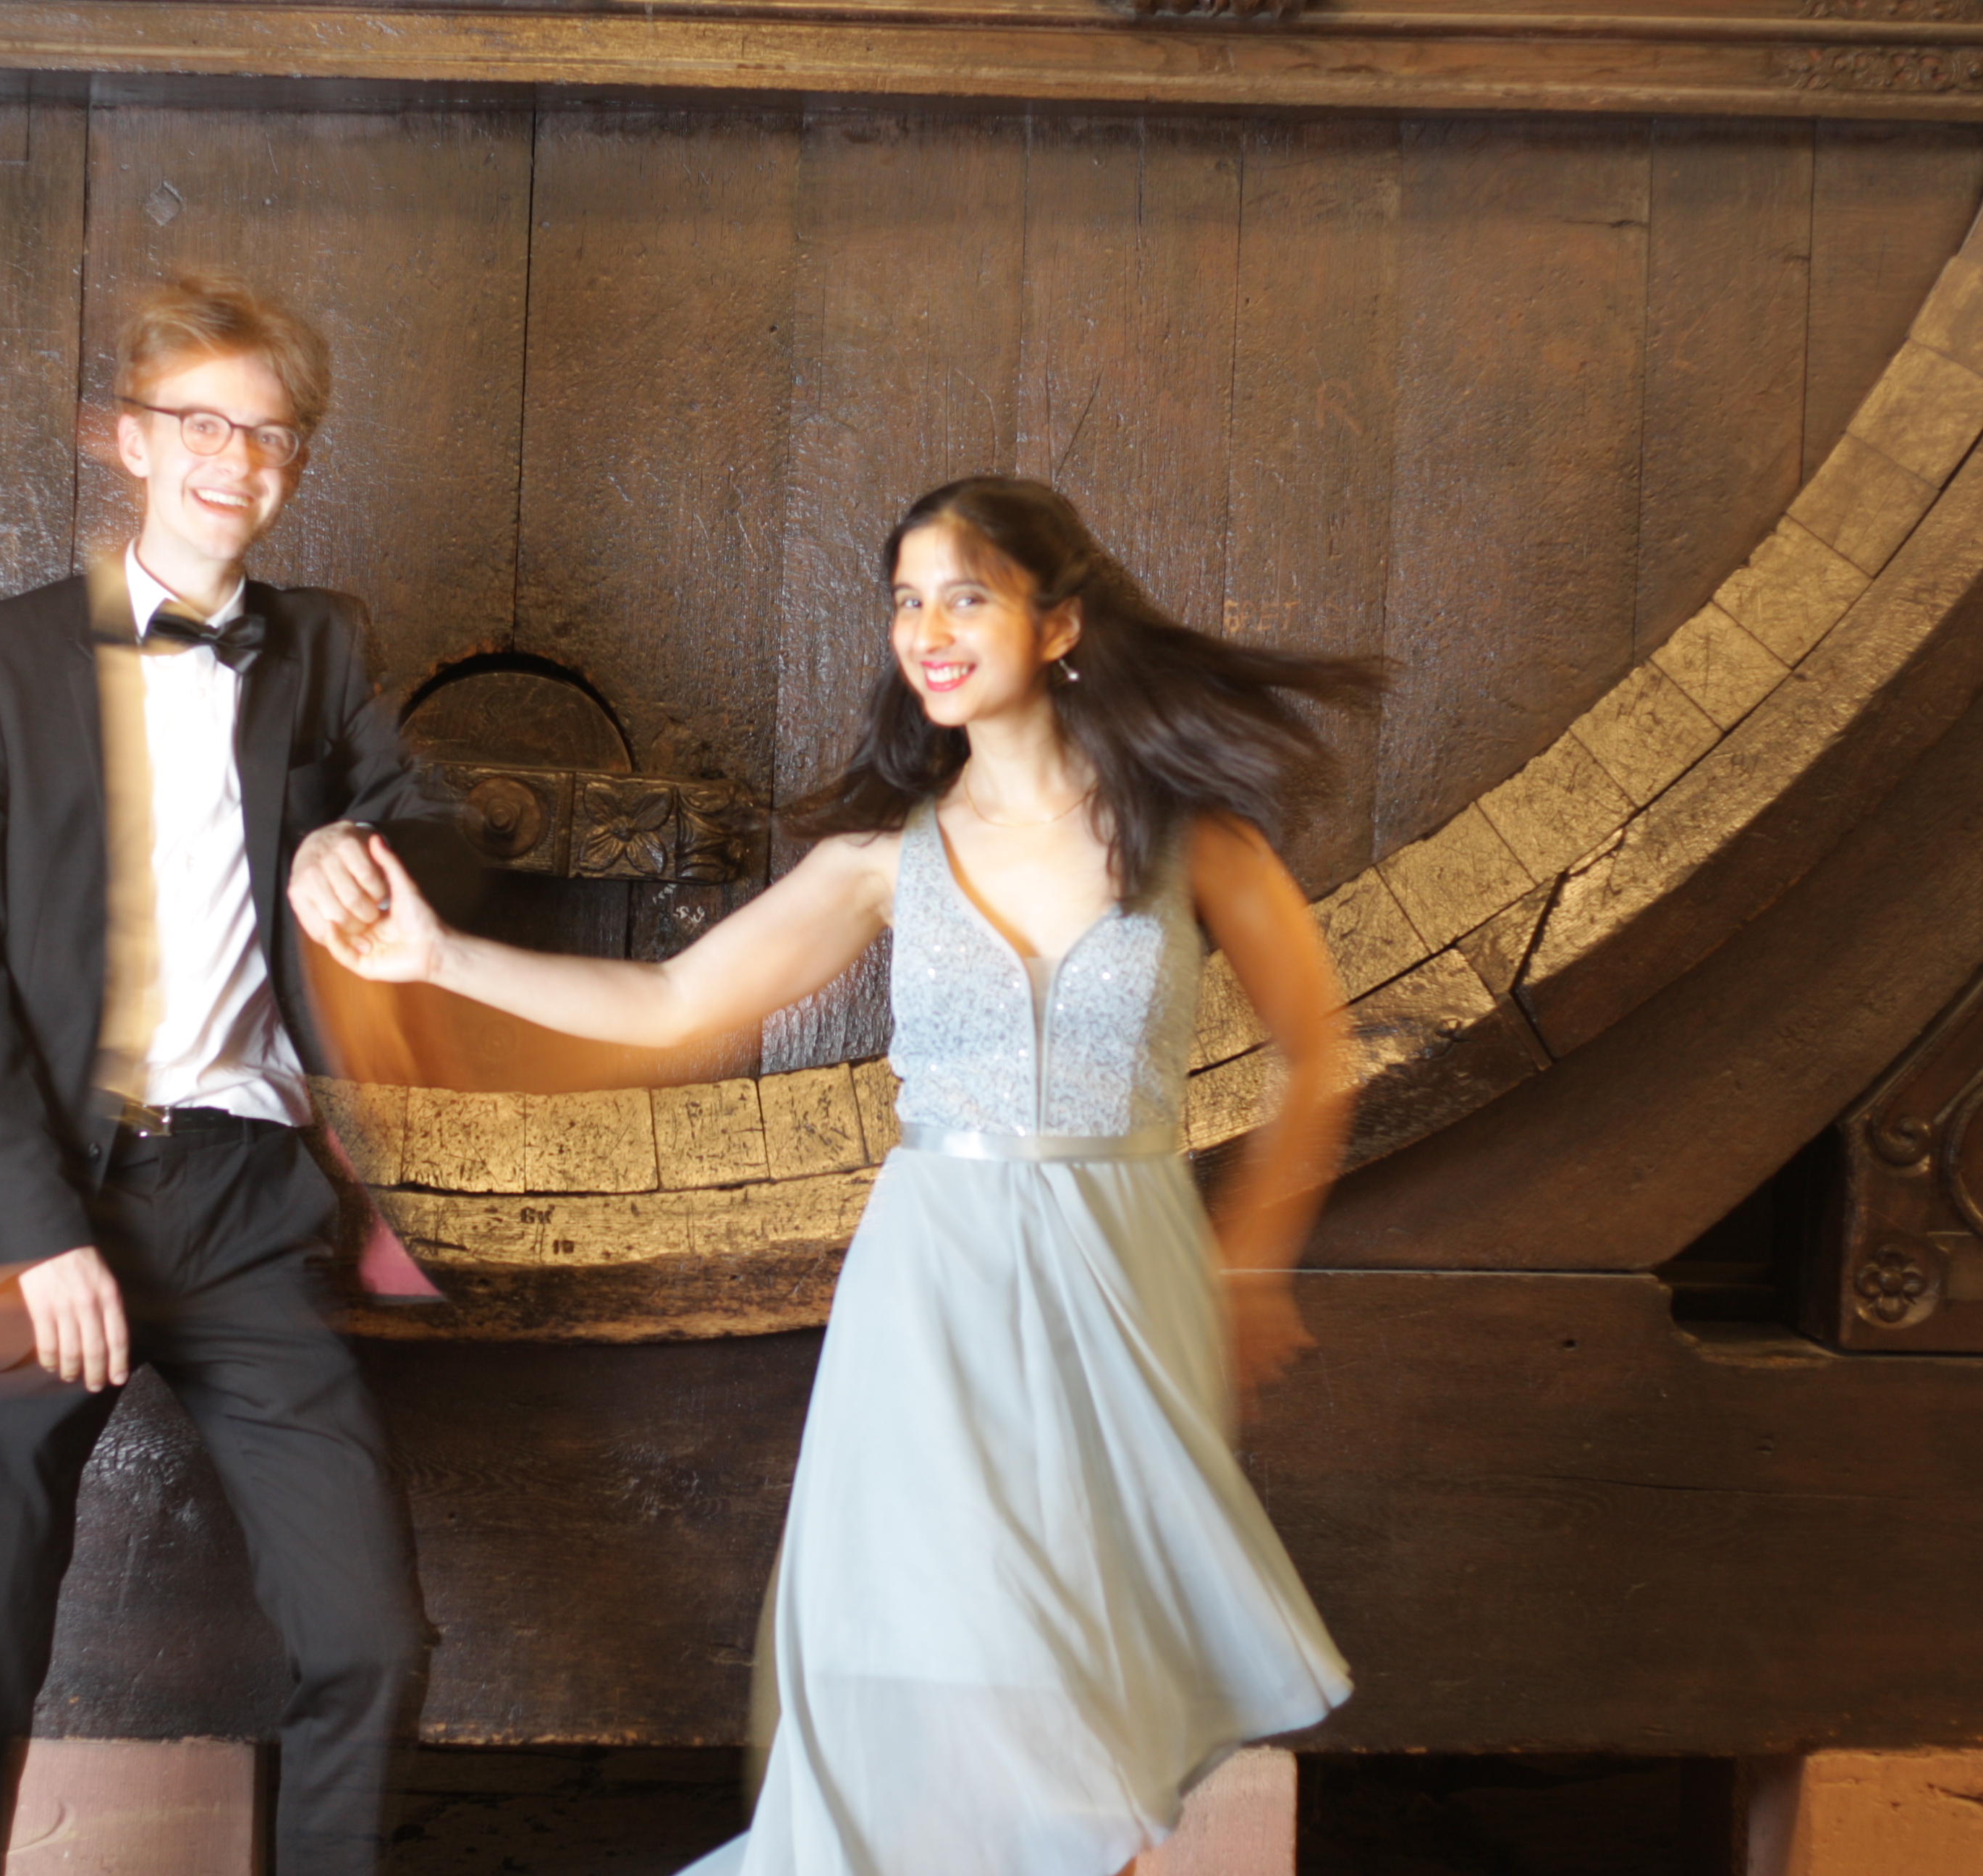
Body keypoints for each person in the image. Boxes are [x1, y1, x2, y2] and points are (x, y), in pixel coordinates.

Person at [306, 475, 1369, 1876]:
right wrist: (436, 957)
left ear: (1059, 625)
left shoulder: (1189, 839)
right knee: (934, 1655)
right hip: (934, 1289)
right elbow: (673, 1004)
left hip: (1130, 1286)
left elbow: (1321, 1054)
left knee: (1095, 1705)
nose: (926, 630)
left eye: (965, 597)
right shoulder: (885, 859)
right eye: (907, 601)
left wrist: (1252, 1267)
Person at [0, 274, 455, 1876]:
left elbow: (440, 820)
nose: (236, 460)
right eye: (202, 424)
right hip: (33, 1202)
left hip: (243, 1202)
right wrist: (38, 1233)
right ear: (127, 441)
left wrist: (359, 838)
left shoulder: (322, 645)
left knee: (371, 1640)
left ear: (297, 464)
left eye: (270, 436)